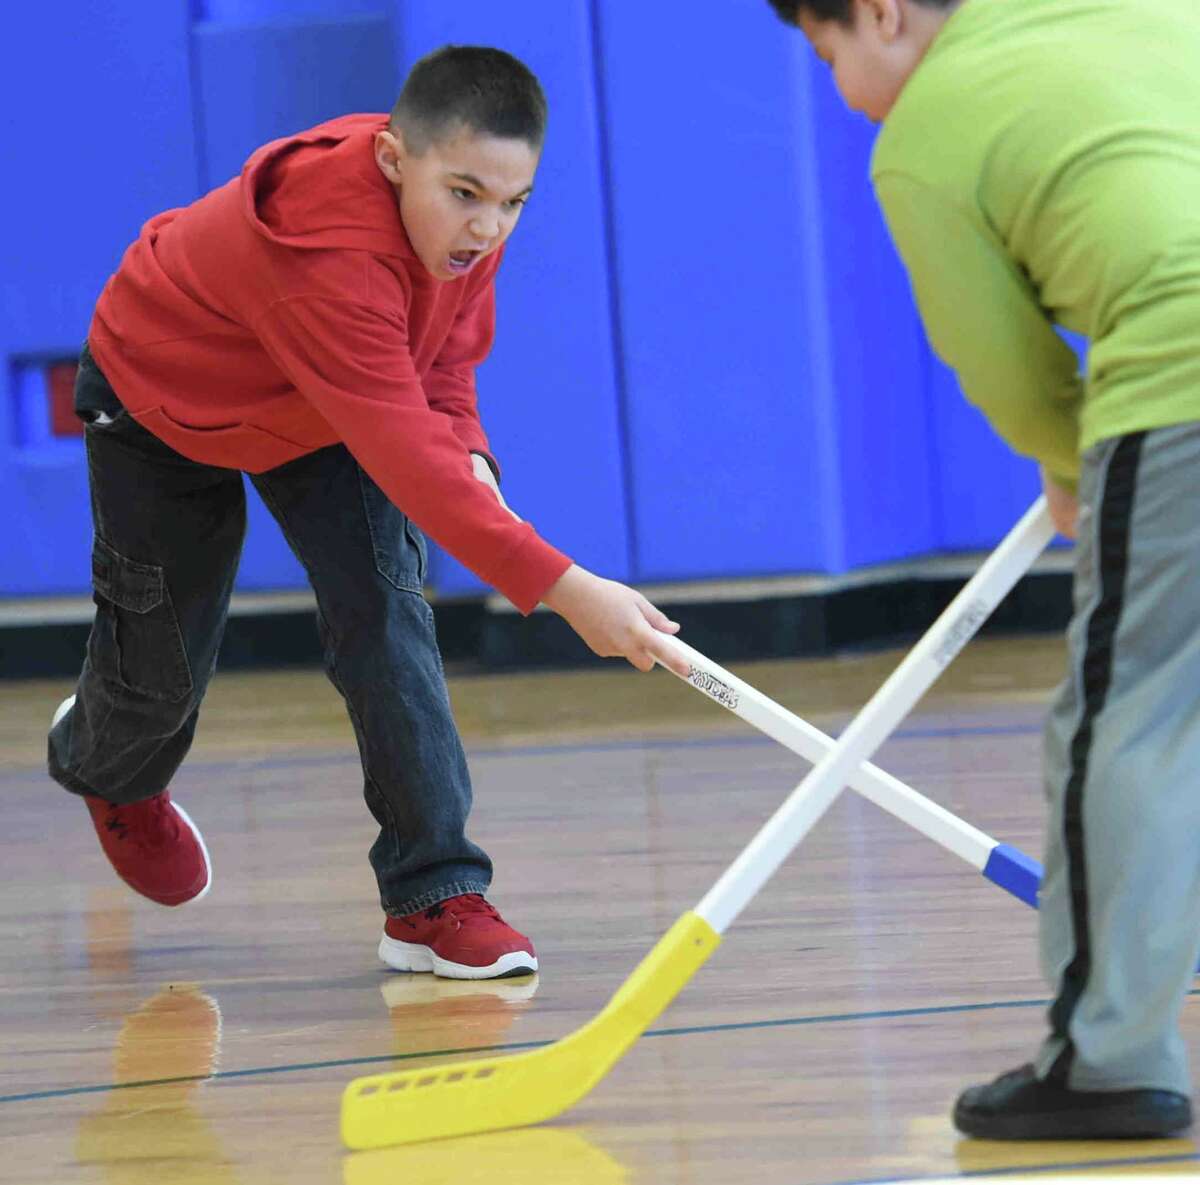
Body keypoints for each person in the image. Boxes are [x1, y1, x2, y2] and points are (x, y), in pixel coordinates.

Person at [48, 45, 688, 982]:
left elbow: (445, 363)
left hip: (322, 406)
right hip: (164, 397)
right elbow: (400, 446)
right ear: (394, 159)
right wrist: (567, 588)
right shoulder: (327, 256)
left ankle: (432, 895)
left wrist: (470, 449)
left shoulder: (460, 228)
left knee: (388, 609)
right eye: (467, 194)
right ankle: (112, 769)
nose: (489, 227)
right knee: (159, 675)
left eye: (513, 202)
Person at [766, 0, 1200, 1140]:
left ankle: (1106, 1062)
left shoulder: (923, 140)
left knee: (1130, 723)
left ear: (881, 15)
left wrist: (1069, 459)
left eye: (828, 55)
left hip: (1183, 382)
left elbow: (998, 362)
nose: (841, 86)